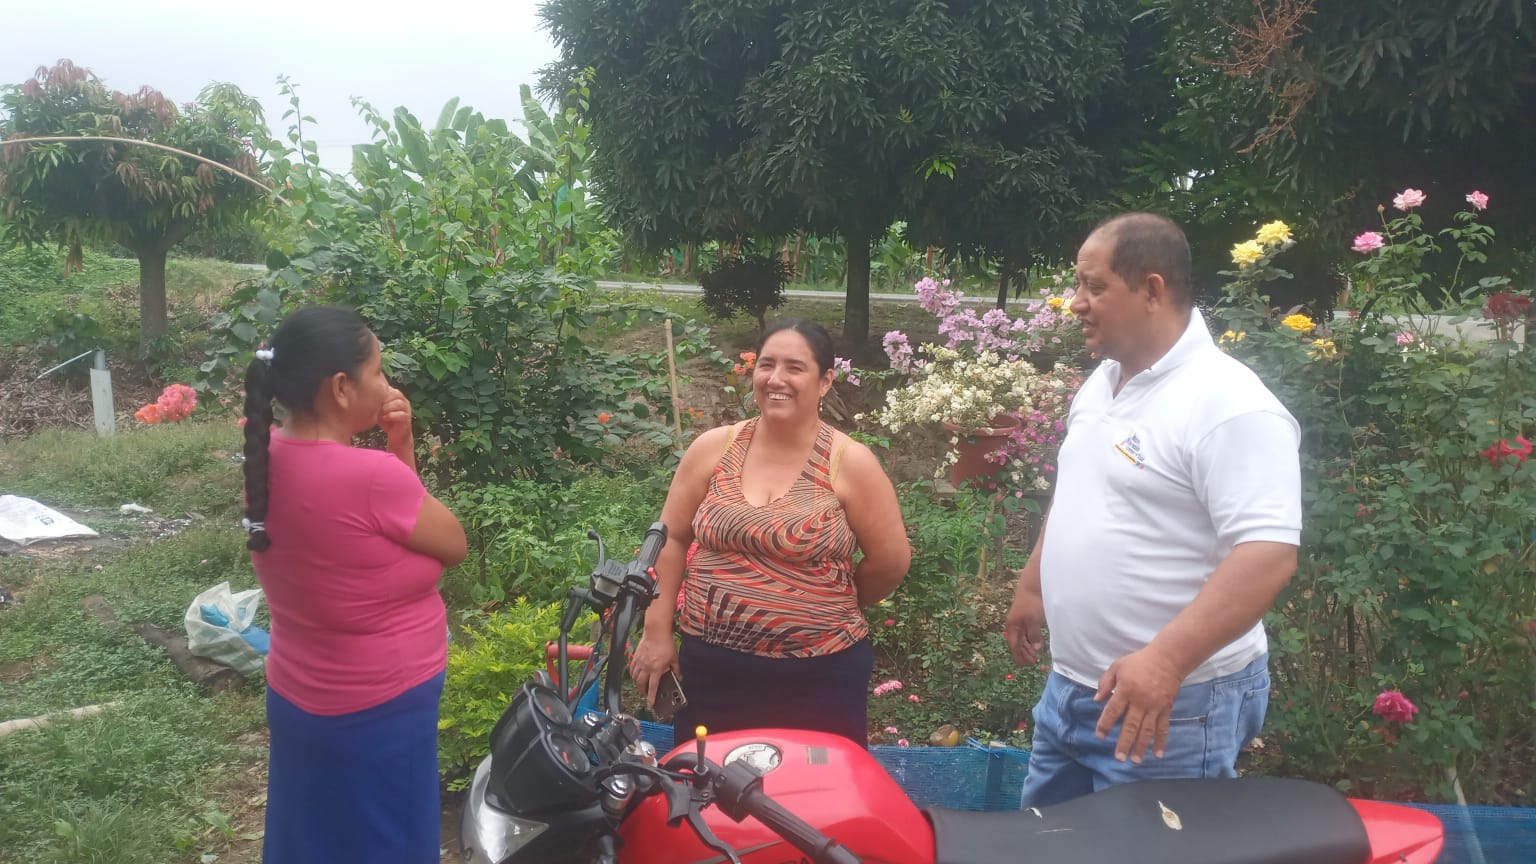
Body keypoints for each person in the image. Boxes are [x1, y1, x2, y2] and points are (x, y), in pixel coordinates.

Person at [1006, 213, 1301, 807]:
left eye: (1095, 287)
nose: (1076, 303)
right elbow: (1079, 489)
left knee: (1150, 846)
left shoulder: (1230, 405)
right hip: (1072, 687)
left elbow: (1268, 554)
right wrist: (1034, 585)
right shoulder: (1105, 382)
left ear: (1152, 290)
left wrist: (1165, 662)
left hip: (1173, 703)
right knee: (1046, 844)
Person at [241, 305, 466, 863]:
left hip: (297, 696)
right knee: (390, 844)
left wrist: (398, 442)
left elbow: (373, 541)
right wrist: (400, 450)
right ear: (341, 388)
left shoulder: (263, 458)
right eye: (379, 371)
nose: (387, 385)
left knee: (313, 840)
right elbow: (452, 544)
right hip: (382, 708)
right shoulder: (372, 477)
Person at [629, 318, 911, 746]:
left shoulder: (850, 463)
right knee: (705, 780)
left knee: (809, 787)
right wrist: (656, 633)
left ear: (825, 381)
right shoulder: (714, 448)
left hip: (818, 677)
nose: (776, 379)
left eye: (794, 367)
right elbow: (669, 540)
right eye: (766, 364)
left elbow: (890, 562)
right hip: (711, 671)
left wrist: (823, 601)